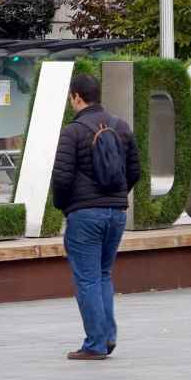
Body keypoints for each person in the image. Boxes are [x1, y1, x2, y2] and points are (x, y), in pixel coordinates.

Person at [53, 73, 142, 359]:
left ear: (77, 97)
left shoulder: (73, 131)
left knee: (88, 279)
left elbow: (62, 178)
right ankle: (108, 336)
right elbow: (135, 171)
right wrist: (116, 197)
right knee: (103, 274)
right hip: (116, 214)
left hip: (84, 215)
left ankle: (95, 344)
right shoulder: (121, 127)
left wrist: (67, 206)